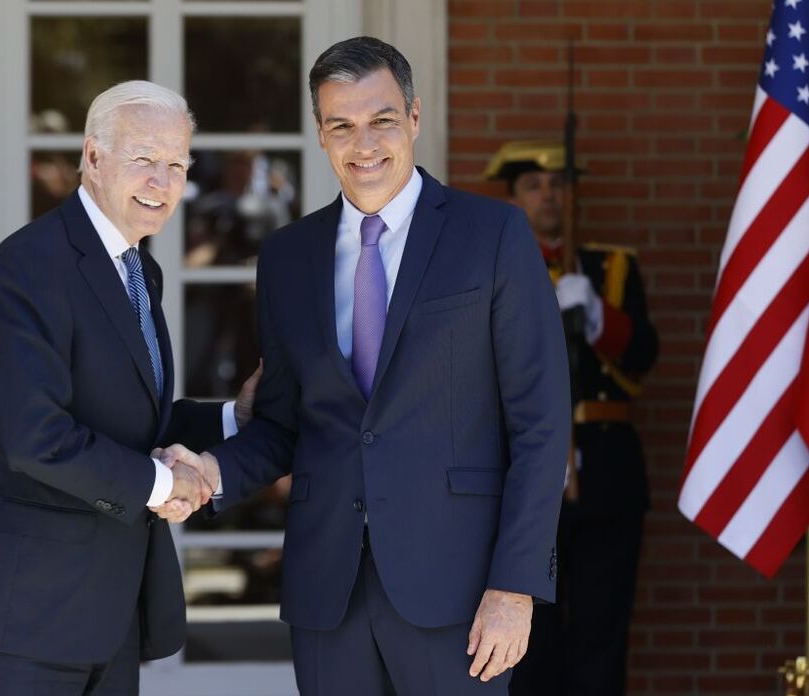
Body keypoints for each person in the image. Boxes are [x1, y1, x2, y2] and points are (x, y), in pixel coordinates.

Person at [157, 37, 570, 695]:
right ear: (320, 134)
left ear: (413, 118)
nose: (363, 143)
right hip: (329, 594)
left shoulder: (492, 236)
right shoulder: (288, 257)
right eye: (341, 125)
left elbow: (542, 426)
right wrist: (211, 471)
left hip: (461, 595)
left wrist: (515, 586)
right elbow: (285, 423)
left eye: (380, 119)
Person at [0, 81, 259, 696]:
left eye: (177, 165)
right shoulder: (30, 266)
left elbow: (132, 421)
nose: (162, 182)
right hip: (22, 620)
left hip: (108, 616)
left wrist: (231, 419)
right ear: (93, 156)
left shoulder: (139, 268)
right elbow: (38, 439)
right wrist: (164, 483)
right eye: (143, 160)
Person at [487, 141, 659, 696]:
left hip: (604, 461)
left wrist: (596, 317)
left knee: (601, 631)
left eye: (558, 184)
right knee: (528, 636)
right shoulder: (495, 264)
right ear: (514, 198)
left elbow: (643, 359)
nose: (548, 195)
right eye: (534, 186)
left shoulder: (610, 268)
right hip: (525, 467)